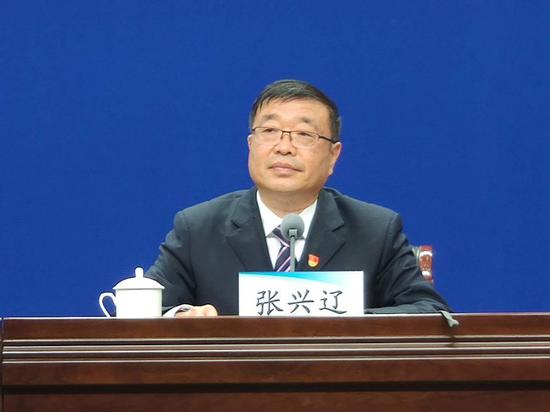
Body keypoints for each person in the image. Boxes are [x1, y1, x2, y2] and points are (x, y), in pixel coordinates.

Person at [146, 79, 450, 317]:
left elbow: (430, 311)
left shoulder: (375, 230)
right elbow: (144, 309)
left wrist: (345, 323)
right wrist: (181, 317)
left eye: (304, 135)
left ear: (333, 156)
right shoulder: (198, 229)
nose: (284, 147)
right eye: (270, 130)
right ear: (251, 145)